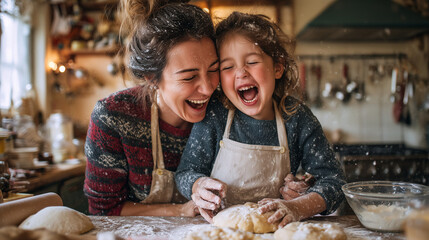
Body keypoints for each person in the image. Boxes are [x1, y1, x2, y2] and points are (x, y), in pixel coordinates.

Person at [175, 11, 346, 227]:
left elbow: (335, 182)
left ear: (277, 67)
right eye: (227, 67)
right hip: (218, 231)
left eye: (252, 61)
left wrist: (300, 204)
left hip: (277, 231)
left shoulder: (296, 118)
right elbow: (185, 173)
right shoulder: (215, 115)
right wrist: (198, 185)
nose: (241, 73)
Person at [83, 0, 220, 216]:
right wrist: (180, 210)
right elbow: (105, 211)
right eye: (189, 77)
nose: (208, 88)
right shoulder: (113, 117)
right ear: (152, 78)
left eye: (214, 70)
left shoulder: (224, 109)